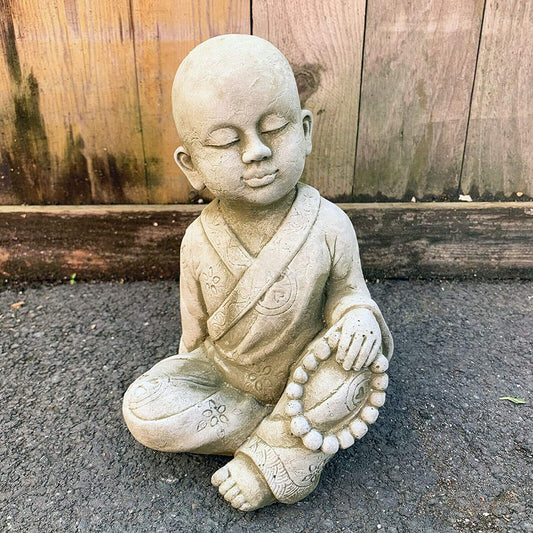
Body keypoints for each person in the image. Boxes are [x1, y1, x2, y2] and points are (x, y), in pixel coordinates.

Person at [123, 34, 393, 511]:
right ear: (192, 165)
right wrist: (186, 377)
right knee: (144, 409)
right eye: (228, 141)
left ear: (306, 130)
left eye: (273, 129)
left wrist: (358, 319)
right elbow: (193, 339)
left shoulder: (330, 225)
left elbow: (351, 294)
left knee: (354, 367)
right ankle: (291, 436)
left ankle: (275, 459)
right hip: (228, 381)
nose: (256, 152)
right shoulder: (198, 243)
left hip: (310, 371)